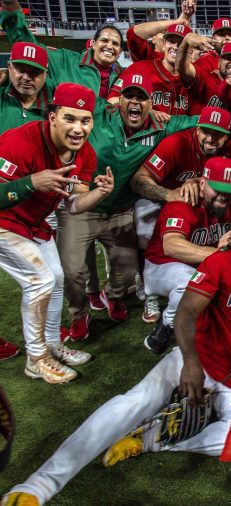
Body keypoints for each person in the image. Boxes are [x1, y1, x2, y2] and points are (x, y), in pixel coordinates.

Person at [1, 205, 231, 505]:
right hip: (199, 356)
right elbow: (186, 311)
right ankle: (38, 486)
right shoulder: (222, 262)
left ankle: (156, 439)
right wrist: (190, 362)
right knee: (132, 402)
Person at [58, 74, 198, 341]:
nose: (135, 102)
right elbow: (66, 94)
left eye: (141, 97)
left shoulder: (161, 125)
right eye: (129, 96)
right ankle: (79, 315)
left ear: (151, 102)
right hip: (82, 205)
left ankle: (113, 295)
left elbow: (196, 121)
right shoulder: (100, 112)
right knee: (73, 269)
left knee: (125, 271)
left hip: (120, 210)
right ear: (119, 99)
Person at [0, 83, 114, 384]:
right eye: (70, 118)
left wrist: (99, 193)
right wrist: (30, 183)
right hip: (3, 223)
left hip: (32, 224)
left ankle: (51, 344)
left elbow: (75, 203)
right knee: (41, 279)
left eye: (85, 120)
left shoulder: (84, 153)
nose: (78, 128)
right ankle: (36, 359)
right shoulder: (18, 142)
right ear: (52, 116)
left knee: (58, 277)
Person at [129, 106, 231, 324]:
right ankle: (148, 286)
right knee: (148, 230)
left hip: (200, 203)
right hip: (164, 197)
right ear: (197, 129)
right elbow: (138, 180)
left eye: (218, 134)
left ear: (227, 137)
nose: (211, 138)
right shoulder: (176, 144)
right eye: (206, 131)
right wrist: (169, 194)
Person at [143, 157, 231, 355]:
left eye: (229, 191)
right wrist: (218, 254)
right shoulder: (184, 201)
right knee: (192, 282)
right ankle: (167, 323)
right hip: (161, 266)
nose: (223, 196)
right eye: (217, 189)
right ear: (203, 184)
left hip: (199, 265)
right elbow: (171, 246)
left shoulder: (230, 204)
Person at [1, 0, 124, 97]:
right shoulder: (66, 61)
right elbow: (30, 47)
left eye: (115, 43)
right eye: (104, 40)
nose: (109, 46)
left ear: (119, 53)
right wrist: (11, 9)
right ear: (93, 43)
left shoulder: (123, 75)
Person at [108, 24, 192, 115]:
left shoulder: (193, 78)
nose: (175, 47)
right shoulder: (139, 68)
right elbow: (112, 100)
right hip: (146, 128)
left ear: (189, 50)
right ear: (164, 44)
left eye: (181, 44)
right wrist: (145, 113)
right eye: (171, 41)